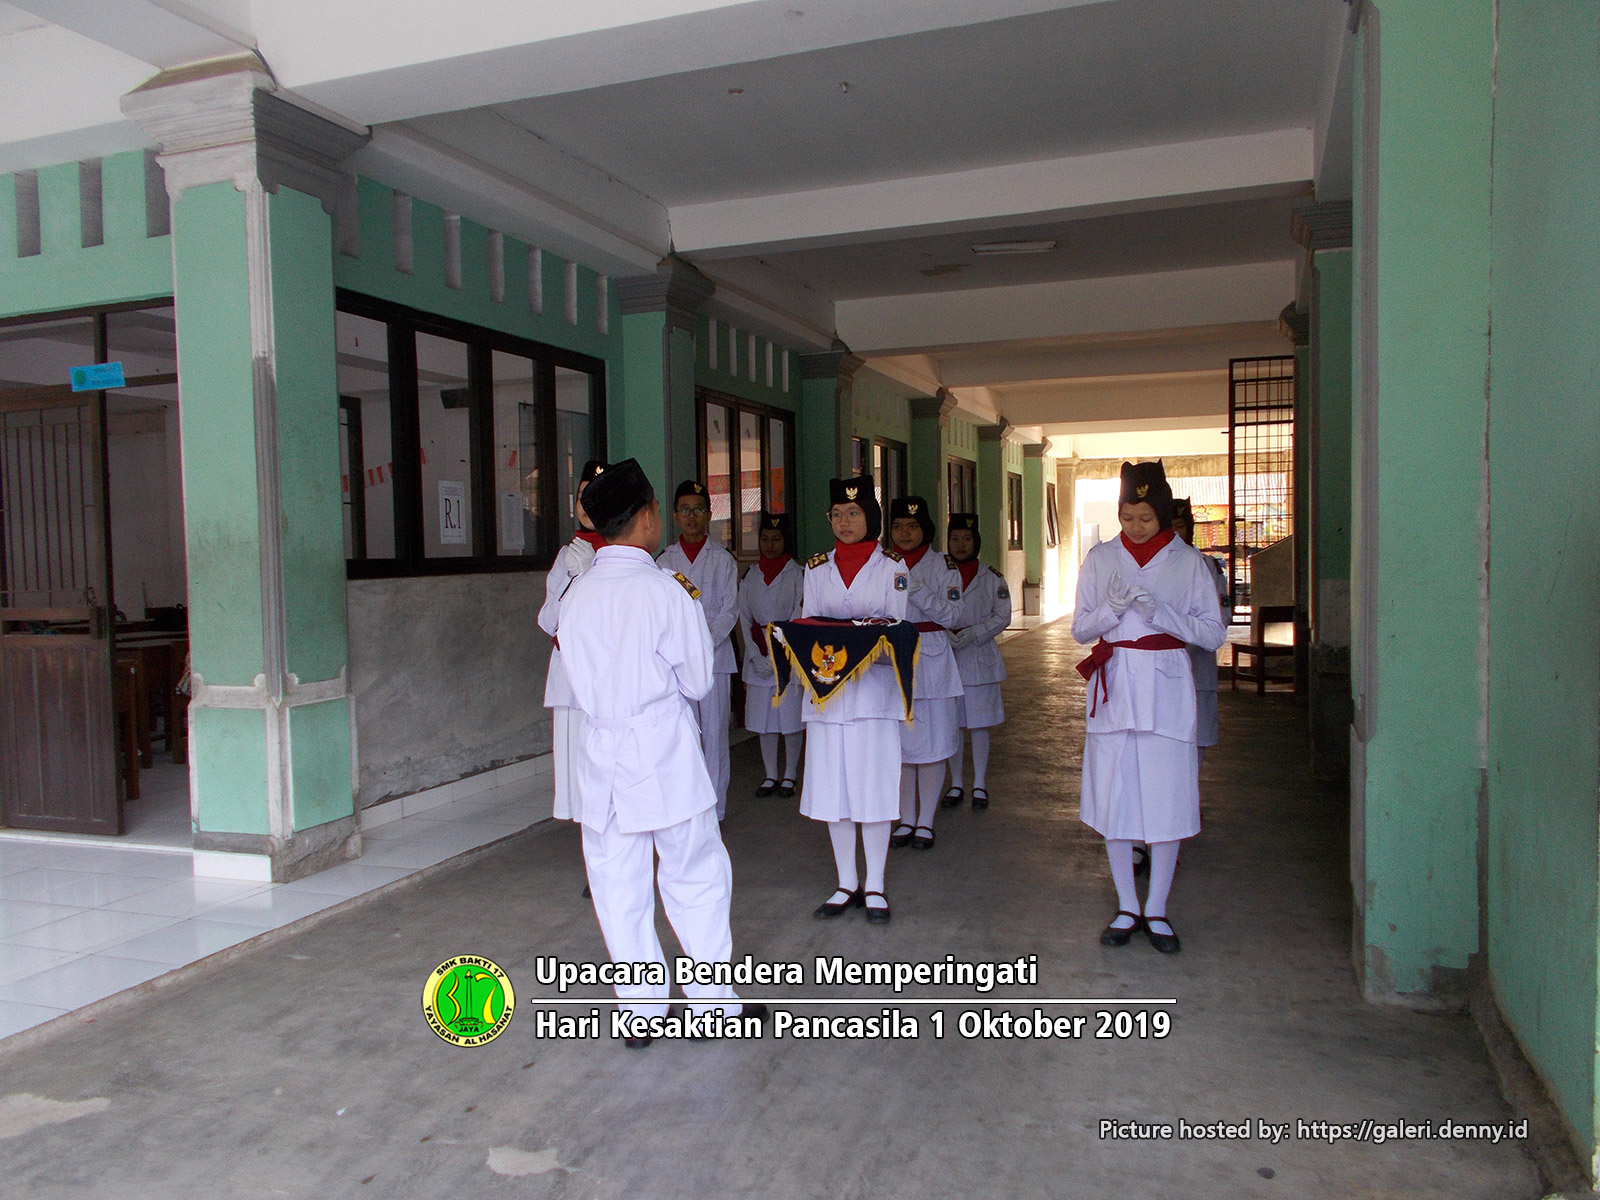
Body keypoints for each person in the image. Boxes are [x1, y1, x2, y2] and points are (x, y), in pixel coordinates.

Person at [558, 459, 763, 1046]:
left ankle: (641, 1011)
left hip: (601, 752)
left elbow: (577, 676)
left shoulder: (578, 595)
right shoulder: (664, 591)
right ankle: (711, 1007)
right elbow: (698, 682)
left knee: (617, 881)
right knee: (693, 872)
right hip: (662, 752)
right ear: (648, 517)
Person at [1072, 461, 1225, 954]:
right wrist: (1110, 612)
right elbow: (1080, 629)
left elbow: (1213, 633)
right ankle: (1125, 904)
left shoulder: (1189, 563)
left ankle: (1156, 908)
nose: (1135, 526)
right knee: (1115, 797)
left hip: (1167, 685)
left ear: (1163, 513)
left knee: (1166, 798)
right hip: (1115, 682)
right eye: (1127, 516)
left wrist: (1162, 612)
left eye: (1145, 517)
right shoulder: (1100, 558)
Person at [797, 476, 909, 923]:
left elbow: (894, 629)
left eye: (854, 513)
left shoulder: (893, 567)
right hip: (827, 693)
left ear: (872, 518)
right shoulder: (816, 566)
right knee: (834, 790)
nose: (844, 522)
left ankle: (876, 884)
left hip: (873, 696)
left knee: (874, 786)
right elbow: (808, 624)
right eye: (837, 515)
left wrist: (843, 631)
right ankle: (846, 882)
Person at [657, 480, 739, 819]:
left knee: (715, 737)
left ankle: (714, 809)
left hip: (714, 660)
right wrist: (682, 647)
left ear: (709, 515)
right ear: (675, 516)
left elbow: (729, 611)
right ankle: (684, 807)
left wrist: (702, 644)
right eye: (685, 510)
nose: (692, 517)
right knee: (680, 737)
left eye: (699, 510)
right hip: (675, 663)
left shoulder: (722, 560)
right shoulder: (663, 561)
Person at [886, 496, 963, 850]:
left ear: (925, 529)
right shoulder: (883, 563)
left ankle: (926, 820)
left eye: (912, 526)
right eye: (898, 526)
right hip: (893, 659)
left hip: (932, 658)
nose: (904, 533)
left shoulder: (943, 566)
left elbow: (952, 617)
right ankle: (904, 819)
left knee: (932, 744)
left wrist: (918, 593)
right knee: (899, 746)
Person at [537, 460, 607, 825]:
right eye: (582, 496)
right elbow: (548, 619)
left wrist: (593, 572)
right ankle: (592, 870)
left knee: (609, 779)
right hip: (569, 680)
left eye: (597, 496)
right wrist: (574, 581)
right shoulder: (566, 556)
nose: (588, 504)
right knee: (577, 784)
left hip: (607, 680)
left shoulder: (624, 556)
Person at [942, 512, 1010, 810]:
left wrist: (974, 633)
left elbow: (1003, 615)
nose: (960, 544)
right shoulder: (939, 573)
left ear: (976, 541)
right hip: (947, 658)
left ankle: (979, 783)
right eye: (954, 538)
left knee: (979, 725)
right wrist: (945, 633)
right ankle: (956, 783)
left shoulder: (992, 577)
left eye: (966, 538)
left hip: (980, 658)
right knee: (952, 725)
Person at [736, 512, 804, 797]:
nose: (770, 544)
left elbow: (799, 613)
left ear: (785, 541)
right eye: (765, 539)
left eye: (776, 539)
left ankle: (789, 774)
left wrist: (779, 655)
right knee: (763, 720)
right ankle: (770, 774)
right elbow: (744, 618)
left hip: (788, 652)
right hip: (758, 656)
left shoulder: (798, 573)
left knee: (789, 718)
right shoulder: (751, 575)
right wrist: (754, 655)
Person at [1171, 497, 1232, 768]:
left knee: (1195, 744)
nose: (1174, 534)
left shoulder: (1207, 566)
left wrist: (1186, 637)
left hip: (1197, 668)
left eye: (1180, 527)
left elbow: (1221, 618)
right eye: (1168, 527)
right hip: (1163, 674)